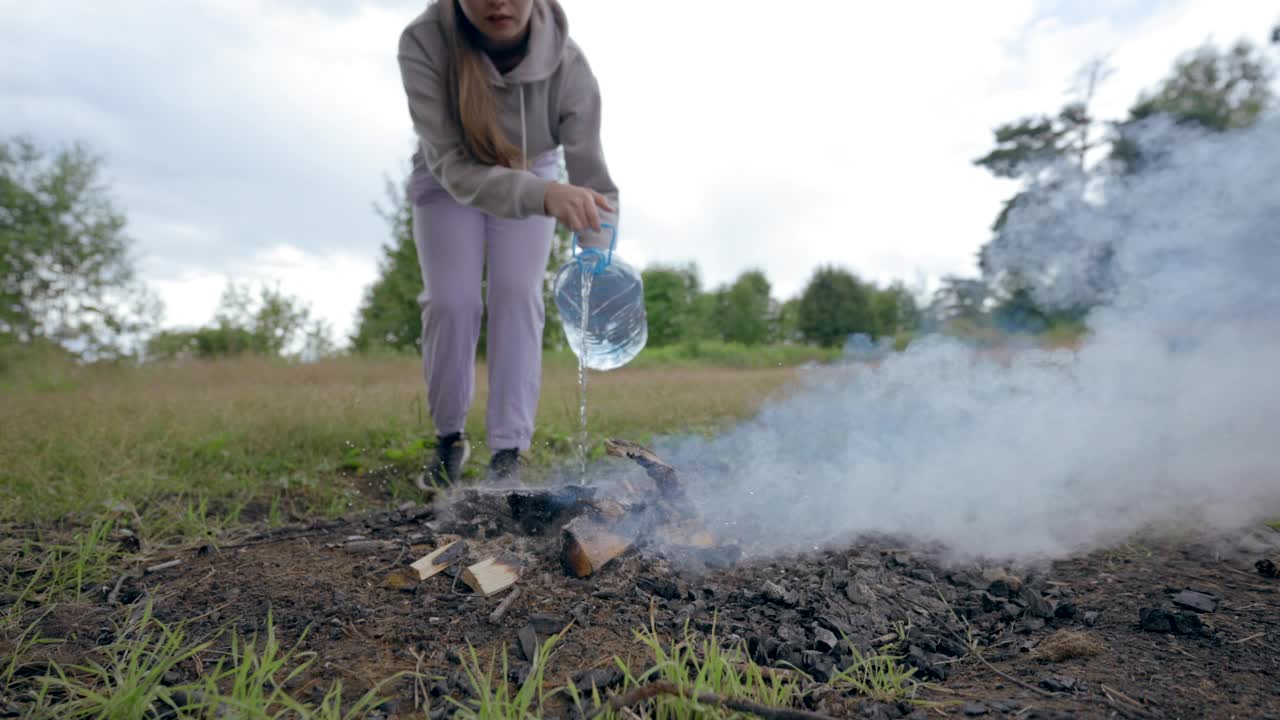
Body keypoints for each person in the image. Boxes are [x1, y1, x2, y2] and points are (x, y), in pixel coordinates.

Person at [397, 0, 619, 488]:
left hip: (531, 170)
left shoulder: (569, 66)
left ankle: (507, 455)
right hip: (448, 177)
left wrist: (596, 253)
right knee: (452, 302)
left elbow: (594, 184)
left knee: (516, 295)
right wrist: (546, 196)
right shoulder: (423, 42)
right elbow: (453, 168)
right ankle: (448, 440)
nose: (499, 2)